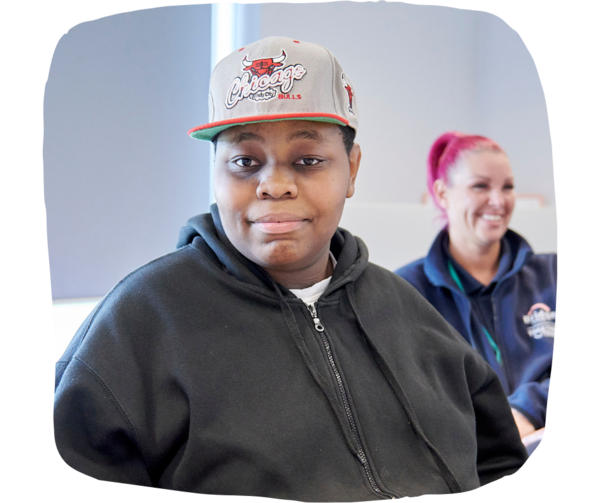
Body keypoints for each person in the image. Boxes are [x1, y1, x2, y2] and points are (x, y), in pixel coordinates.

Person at [52, 38, 528, 500]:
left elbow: (497, 462)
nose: (275, 185)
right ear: (214, 172)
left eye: (307, 160)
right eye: (244, 161)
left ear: (352, 170)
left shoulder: (411, 313)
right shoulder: (138, 324)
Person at [396, 132, 557, 456]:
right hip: (472, 461)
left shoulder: (551, 274)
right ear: (443, 194)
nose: (498, 201)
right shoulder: (405, 292)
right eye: (480, 186)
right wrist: (497, 425)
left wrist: (528, 409)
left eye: (507, 187)